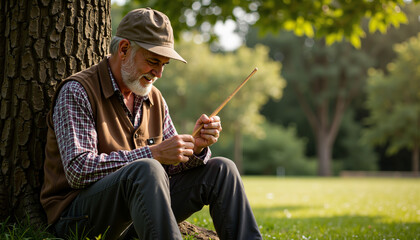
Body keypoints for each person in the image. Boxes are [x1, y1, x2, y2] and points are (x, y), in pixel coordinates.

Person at [40, 8, 262, 240]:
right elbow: (79, 170)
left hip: (140, 214)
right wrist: (153, 153)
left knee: (222, 169)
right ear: (124, 49)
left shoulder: (154, 97)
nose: (159, 73)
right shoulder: (78, 91)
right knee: (147, 167)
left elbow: (169, 166)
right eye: (153, 61)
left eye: (164, 64)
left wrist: (194, 147)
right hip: (79, 220)